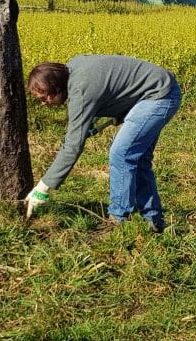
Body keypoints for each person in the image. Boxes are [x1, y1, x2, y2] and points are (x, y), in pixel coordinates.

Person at [24, 55, 182, 232]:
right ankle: (153, 221)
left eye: (45, 98)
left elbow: (73, 146)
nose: (44, 104)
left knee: (122, 154)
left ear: (57, 88)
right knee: (138, 159)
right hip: (156, 90)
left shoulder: (81, 90)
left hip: (159, 95)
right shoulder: (73, 69)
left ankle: (118, 219)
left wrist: (42, 188)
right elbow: (111, 86)